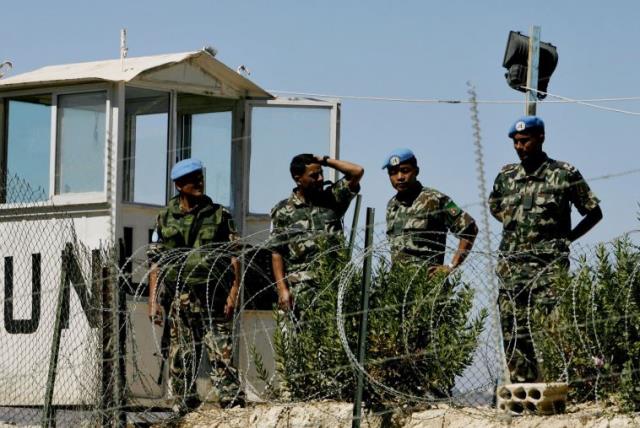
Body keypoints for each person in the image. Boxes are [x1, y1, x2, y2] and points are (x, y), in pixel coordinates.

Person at [489, 116, 603, 383]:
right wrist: (515, 225)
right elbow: (496, 206)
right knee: (513, 329)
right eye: (516, 142)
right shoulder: (506, 176)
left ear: (541, 138)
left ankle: (561, 383)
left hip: (548, 268)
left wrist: (567, 239)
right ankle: (523, 386)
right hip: (511, 267)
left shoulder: (564, 173)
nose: (519, 147)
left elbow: (593, 212)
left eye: (525, 141)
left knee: (553, 327)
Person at [147, 158, 244, 414]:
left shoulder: (219, 214)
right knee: (182, 355)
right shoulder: (165, 217)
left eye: (200, 177)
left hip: (214, 293)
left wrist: (234, 293)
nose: (199, 182)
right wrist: (153, 300)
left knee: (221, 353)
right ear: (179, 185)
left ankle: (231, 404)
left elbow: (235, 256)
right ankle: (184, 405)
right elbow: (155, 261)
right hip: (181, 296)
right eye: (192, 179)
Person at [270, 154, 364, 312]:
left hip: (333, 284)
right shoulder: (283, 211)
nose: (320, 178)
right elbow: (277, 251)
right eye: (314, 176)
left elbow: (357, 171)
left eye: (321, 173)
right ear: (298, 178)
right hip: (301, 289)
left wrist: (325, 161)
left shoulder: (332, 198)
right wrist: (282, 289)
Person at [383, 148, 478, 273]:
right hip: (399, 285)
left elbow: (470, 228)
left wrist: (451, 266)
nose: (399, 177)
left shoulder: (434, 199)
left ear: (416, 171)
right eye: (393, 173)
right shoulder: (392, 205)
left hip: (427, 285)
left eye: (405, 171)